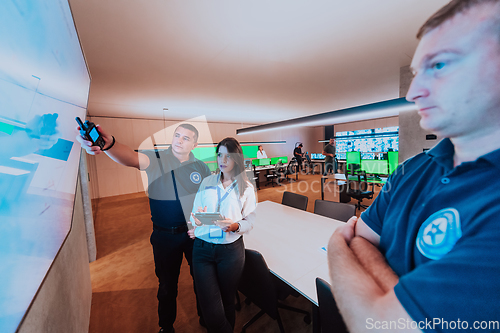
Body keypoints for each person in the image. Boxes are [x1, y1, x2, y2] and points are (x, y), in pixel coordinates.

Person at [327, 0, 500, 332]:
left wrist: (337, 245)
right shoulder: (411, 169)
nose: (413, 93)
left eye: (439, 65)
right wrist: (396, 293)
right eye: (417, 72)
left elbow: (377, 324)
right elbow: (361, 239)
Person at [76, 123, 210, 333]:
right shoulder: (157, 159)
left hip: (195, 235)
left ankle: (206, 316)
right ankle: (166, 326)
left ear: (195, 144)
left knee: (201, 280)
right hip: (165, 237)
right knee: (167, 286)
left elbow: (208, 198)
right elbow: (129, 156)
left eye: (186, 138)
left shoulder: (201, 167)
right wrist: (109, 144)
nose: (179, 140)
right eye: (177, 135)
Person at [188, 137, 256, 333]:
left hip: (230, 250)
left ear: (237, 159)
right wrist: (197, 224)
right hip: (202, 249)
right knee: (210, 305)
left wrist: (234, 225)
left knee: (227, 299)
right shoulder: (207, 181)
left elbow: (250, 222)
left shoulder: (246, 188)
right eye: (219, 155)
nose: (222, 160)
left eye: (228, 156)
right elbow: (195, 212)